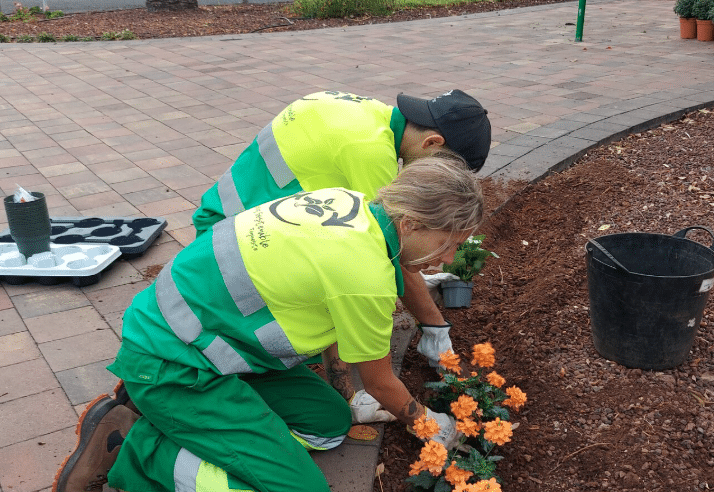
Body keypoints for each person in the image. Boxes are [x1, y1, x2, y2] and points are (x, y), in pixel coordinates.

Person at [53, 157, 484, 492]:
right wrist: (432, 424)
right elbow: (379, 382)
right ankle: (136, 449)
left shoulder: (347, 202)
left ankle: (184, 420)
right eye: (449, 243)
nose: (447, 259)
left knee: (329, 424)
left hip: (199, 340)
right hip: (175, 365)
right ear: (410, 224)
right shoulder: (364, 276)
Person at [192, 89, 493, 368]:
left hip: (226, 218)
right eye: (442, 168)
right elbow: (387, 244)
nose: (438, 179)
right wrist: (434, 326)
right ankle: (340, 391)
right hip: (233, 255)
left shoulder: (368, 113)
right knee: (349, 283)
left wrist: (416, 274)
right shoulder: (370, 154)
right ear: (432, 143)